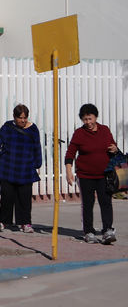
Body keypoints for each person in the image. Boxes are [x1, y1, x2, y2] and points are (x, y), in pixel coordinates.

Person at [65, 103, 118, 244]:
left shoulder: (105, 130)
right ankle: (88, 231)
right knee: (88, 204)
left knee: (106, 202)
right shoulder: (79, 133)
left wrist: (114, 148)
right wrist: (68, 171)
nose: (88, 122)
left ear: (96, 117)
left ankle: (107, 230)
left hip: (104, 175)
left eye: (90, 118)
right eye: (85, 119)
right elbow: (70, 153)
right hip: (85, 175)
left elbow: (113, 146)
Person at [0, 104, 42, 233]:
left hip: (25, 168)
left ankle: (25, 223)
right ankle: (3, 221)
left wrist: (37, 164)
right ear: (14, 117)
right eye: (20, 118)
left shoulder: (33, 130)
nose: (23, 121)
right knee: (7, 196)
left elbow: (37, 148)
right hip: (8, 167)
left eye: (25, 118)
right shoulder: (7, 128)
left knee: (24, 198)